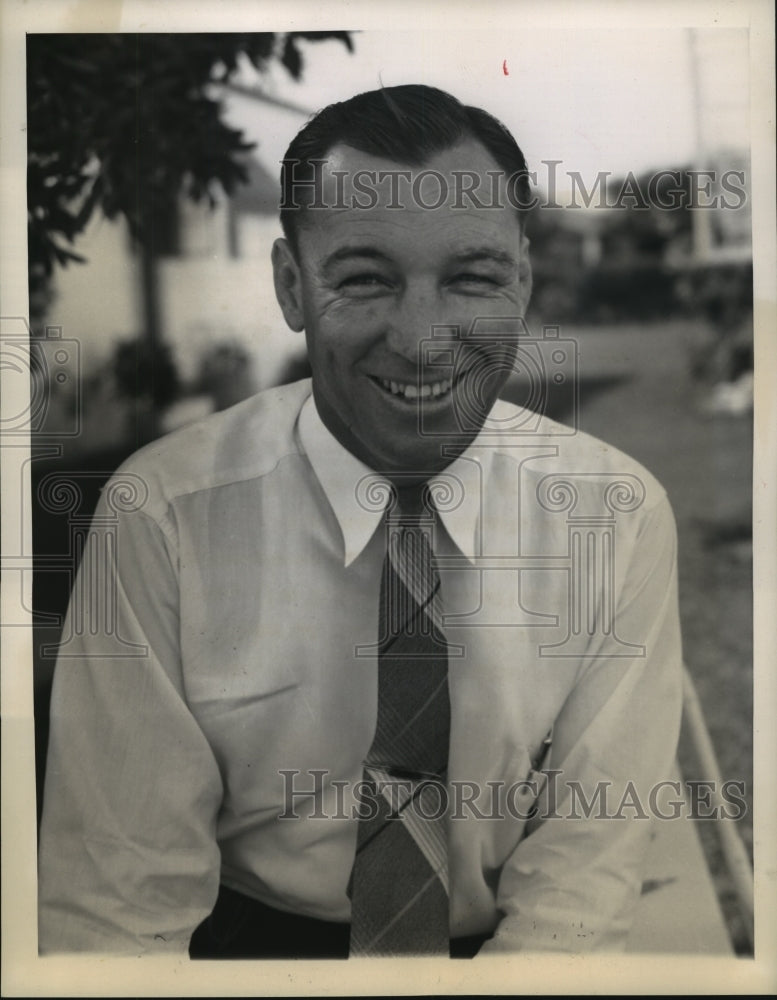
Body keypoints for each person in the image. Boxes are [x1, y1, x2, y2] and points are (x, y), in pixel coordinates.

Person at [38, 84, 683, 958]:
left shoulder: (616, 515)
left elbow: (581, 881)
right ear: (290, 286)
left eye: (471, 280)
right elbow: (118, 907)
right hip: (247, 948)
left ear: (521, 283)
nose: (422, 339)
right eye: (365, 280)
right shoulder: (162, 517)